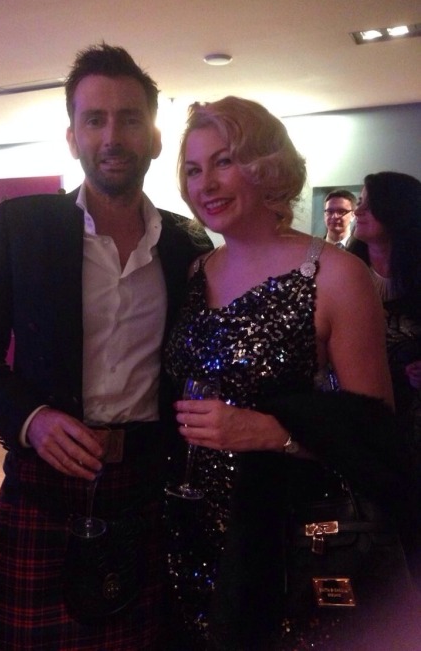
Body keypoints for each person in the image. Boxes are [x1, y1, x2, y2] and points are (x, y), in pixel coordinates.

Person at [0, 43, 211, 650]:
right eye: (95, 119)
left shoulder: (187, 244)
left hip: (148, 487)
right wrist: (31, 421)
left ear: (153, 136)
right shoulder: (21, 227)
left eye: (129, 118)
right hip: (44, 485)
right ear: (72, 136)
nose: (112, 135)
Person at [163, 97, 420, 649]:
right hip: (184, 522)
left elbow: (377, 436)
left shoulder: (334, 274)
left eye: (224, 161)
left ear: (265, 167)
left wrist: (270, 433)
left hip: (279, 533)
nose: (205, 182)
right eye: (192, 168)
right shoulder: (194, 268)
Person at [348, 171, 421, 498]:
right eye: (360, 202)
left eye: (369, 204)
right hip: (360, 420)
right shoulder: (342, 272)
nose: (358, 211)